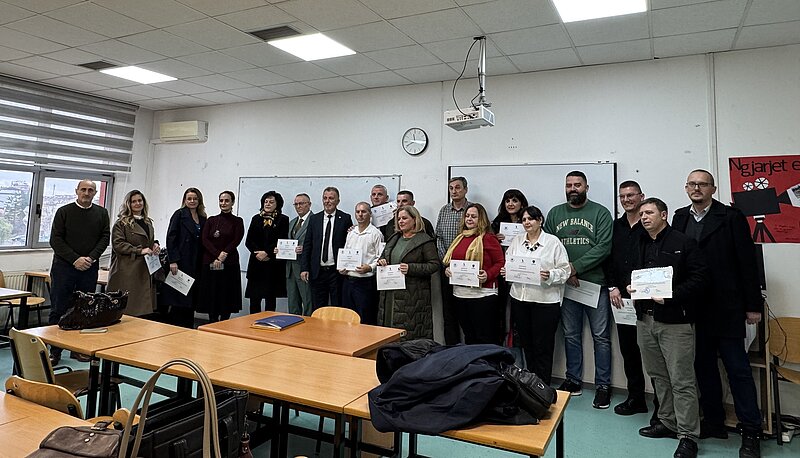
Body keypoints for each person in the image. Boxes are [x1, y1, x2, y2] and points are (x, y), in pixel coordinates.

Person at [672, 169, 763, 458]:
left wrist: (753, 306)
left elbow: (747, 262)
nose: (696, 188)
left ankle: (751, 431)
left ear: (713, 188)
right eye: (692, 184)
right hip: (693, 307)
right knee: (703, 368)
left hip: (726, 306)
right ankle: (713, 421)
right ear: (686, 188)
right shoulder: (680, 217)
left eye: (703, 184)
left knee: (738, 370)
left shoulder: (731, 217)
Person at [630, 198, 706, 458]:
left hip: (675, 322)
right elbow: (636, 273)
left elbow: (700, 278)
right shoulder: (640, 241)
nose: (644, 217)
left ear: (663, 215)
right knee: (658, 376)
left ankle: (688, 435)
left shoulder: (683, 242)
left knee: (682, 380)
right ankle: (667, 422)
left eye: (649, 212)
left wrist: (672, 295)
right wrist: (632, 286)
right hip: (645, 319)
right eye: (642, 213)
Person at [544, 171, 613, 408]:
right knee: (571, 335)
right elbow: (550, 247)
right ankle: (573, 380)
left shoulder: (600, 213)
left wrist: (575, 268)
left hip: (595, 285)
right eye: (569, 185)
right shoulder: (555, 213)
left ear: (586, 187)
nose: (573, 188)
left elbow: (603, 247)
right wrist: (567, 271)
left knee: (601, 337)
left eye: (577, 185)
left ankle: (603, 385)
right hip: (567, 285)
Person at [500, 205, 569, 383]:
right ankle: (530, 384)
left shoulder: (552, 242)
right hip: (520, 300)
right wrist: (506, 271)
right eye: (523, 219)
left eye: (530, 219)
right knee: (527, 345)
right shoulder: (517, 241)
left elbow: (565, 271)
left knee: (543, 347)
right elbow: (509, 262)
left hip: (545, 302)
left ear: (540, 220)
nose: (527, 222)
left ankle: (542, 386)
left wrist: (550, 275)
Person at [606, 180, 656, 417]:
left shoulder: (650, 225)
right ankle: (636, 398)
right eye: (622, 196)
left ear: (641, 196)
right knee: (629, 351)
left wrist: (643, 290)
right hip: (621, 299)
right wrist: (613, 287)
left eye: (631, 195)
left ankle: (662, 406)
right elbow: (608, 258)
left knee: (653, 354)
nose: (626, 200)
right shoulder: (616, 226)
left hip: (647, 299)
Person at [48, 179, 110, 364]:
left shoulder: (102, 213)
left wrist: (91, 258)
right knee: (59, 308)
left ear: (95, 193)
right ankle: (54, 351)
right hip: (64, 268)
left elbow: (104, 238)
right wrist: (75, 259)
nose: (86, 193)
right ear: (77, 191)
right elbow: (55, 240)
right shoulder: (64, 212)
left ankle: (77, 350)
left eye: (90, 190)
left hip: (89, 268)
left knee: (84, 309)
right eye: (83, 189)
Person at [443, 203, 504, 345]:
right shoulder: (460, 237)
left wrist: (488, 274)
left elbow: (500, 262)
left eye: (474, 216)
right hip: (460, 294)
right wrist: (448, 269)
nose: (469, 219)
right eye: (467, 216)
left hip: (483, 294)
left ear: (481, 219)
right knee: (469, 336)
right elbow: (453, 261)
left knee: (485, 337)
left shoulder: (488, 238)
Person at [377, 206, 439, 339]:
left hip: (412, 296)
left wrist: (411, 268)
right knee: (387, 333)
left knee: (408, 335)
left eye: (404, 218)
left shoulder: (424, 240)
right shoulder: (394, 238)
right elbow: (383, 256)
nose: (401, 221)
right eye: (399, 219)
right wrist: (381, 261)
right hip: (389, 294)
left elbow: (434, 265)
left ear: (415, 220)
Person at [107, 190, 160, 317]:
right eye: (133, 201)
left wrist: (155, 245)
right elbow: (118, 244)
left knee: (142, 306)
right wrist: (139, 250)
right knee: (129, 307)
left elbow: (148, 240)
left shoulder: (148, 222)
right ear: (128, 204)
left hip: (145, 267)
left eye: (140, 200)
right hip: (128, 268)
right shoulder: (121, 223)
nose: (137, 203)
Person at [300, 187, 353, 309]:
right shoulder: (314, 219)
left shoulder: (345, 218)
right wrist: (304, 268)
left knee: (337, 306)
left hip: (336, 272)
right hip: (317, 271)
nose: (327, 201)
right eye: (325, 198)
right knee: (318, 307)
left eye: (331, 198)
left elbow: (349, 245)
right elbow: (308, 245)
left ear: (338, 201)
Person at [491, 189, 529, 348]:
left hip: (522, 274)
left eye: (514, 200)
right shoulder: (497, 223)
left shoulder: (528, 222)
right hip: (501, 275)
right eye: (507, 201)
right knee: (503, 314)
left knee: (519, 316)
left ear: (521, 203)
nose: (511, 204)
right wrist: (495, 239)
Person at [198, 190, 244, 322]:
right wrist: (218, 255)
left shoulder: (237, 221)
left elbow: (236, 239)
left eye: (227, 201)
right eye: (221, 200)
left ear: (232, 202)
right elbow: (204, 240)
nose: (223, 203)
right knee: (212, 293)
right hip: (212, 261)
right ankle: (212, 321)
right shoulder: (211, 220)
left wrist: (224, 254)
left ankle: (224, 322)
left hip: (229, 263)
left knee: (226, 294)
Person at [164, 187, 207, 328]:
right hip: (181, 261)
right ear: (185, 200)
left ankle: (188, 328)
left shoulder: (202, 217)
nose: (192, 201)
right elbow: (171, 238)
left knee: (191, 298)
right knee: (179, 298)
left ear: (199, 200)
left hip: (196, 261)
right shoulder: (179, 214)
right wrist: (173, 260)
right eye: (189, 198)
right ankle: (175, 328)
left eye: (195, 198)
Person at [435, 176, 471, 344]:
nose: (454, 191)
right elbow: (439, 238)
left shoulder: (473, 210)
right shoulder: (444, 210)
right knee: (448, 313)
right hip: (447, 269)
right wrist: (446, 261)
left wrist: (462, 263)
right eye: (451, 188)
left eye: (457, 187)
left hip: (467, 269)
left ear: (465, 190)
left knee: (467, 312)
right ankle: (451, 349)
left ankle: (470, 350)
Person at [245, 191, 289, 314]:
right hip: (256, 263)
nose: (268, 204)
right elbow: (249, 241)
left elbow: (281, 240)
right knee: (254, 300)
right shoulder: (256, 218)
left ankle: (269, 323)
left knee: (270, 299)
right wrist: (258, 253)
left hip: (272, 264)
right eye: (266, 201)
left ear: (277, 204)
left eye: (271, 202)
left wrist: (267, 253)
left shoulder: (283, 219)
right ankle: (253, 322)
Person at [339, 202, 383, 324]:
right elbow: (345, 252)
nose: (360, 214)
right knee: (348, 317)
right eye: (357, 212)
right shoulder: (351, 232)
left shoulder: (376, 234)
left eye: (363, 211)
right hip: (348, 281)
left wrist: (370, 267)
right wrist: (342, 267)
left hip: (365, 282)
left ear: (370, 214)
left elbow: (380, 257)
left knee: (365, 317)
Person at [285, 193, 313, 316]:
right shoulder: (292, 222)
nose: (298, 206)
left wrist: (305, 248)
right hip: (290, 268)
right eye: (296, 204)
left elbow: (318, 244)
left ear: (309, 204)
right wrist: (279, 250)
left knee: (308, 303)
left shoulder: (315, 220)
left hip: (304, 268)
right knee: (292, 304)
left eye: (301, 203)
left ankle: (309, 327)